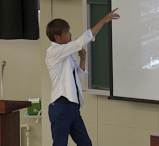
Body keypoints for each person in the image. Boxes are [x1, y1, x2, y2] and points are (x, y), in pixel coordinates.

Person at [45, 8, 120, 146]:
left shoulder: (68, 53)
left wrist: (83, 60)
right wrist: (103, 20)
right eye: (66, 32)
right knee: (60, 144)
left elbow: (77, 80)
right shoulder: (53, 52)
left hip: (73, 106)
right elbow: (80, 42)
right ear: (56, 37)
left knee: (86, 143)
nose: (70, 34)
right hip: (61, 105)